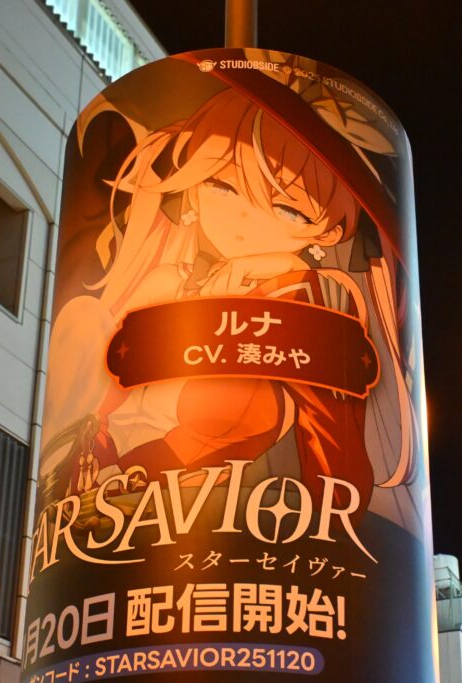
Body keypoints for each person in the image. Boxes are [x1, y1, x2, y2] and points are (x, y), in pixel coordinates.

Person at [39, 84, 416, 524]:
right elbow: (102, 408)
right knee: (84, 321)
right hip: (115, 497)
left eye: (288, 209)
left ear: (328, 232)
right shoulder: (167, 280)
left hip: (201, 509)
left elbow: (336, 465)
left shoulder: (309, 301)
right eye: (220, 185)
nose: (241, 219)